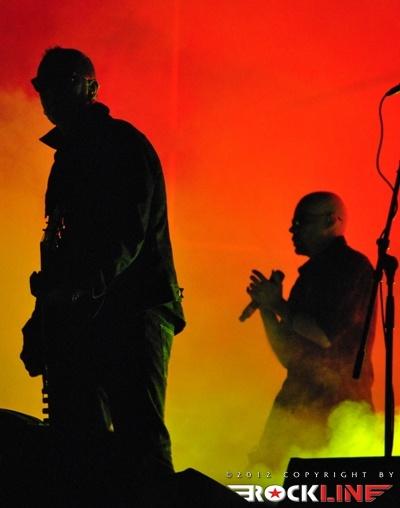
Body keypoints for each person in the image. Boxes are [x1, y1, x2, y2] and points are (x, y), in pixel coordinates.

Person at [20, 47, 185, 490]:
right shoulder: (68, 158)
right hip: (89, 318)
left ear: (91, 87)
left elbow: (127, 234)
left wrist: (72, 294)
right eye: (44, 87)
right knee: (80, 443)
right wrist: (44, 318)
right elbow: (59, 250)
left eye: (63, 84)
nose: (49, 96)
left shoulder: (120, 144)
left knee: (139, 443)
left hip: (133, 311)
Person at [245, 191, 374, 471]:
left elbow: (325, 335)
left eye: (301, 221)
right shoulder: (309, 277)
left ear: (330, 221)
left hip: (333, 409)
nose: (293, 230)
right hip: (297, 404)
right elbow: (289, 356)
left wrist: (278, 304)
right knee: (267, 480)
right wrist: (267, 308)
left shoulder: (351, 268)